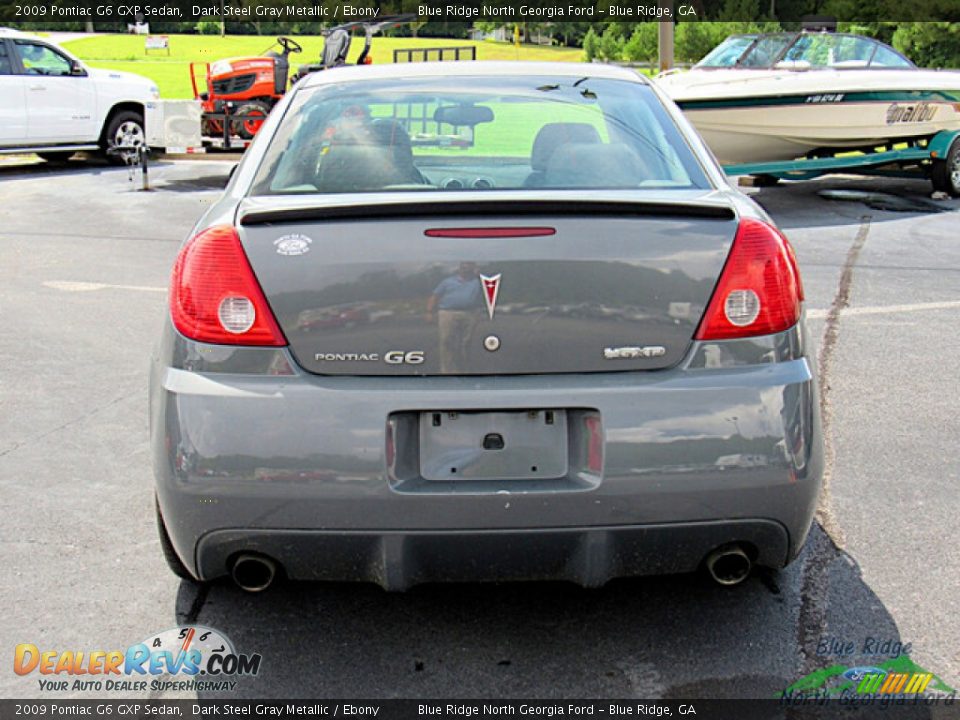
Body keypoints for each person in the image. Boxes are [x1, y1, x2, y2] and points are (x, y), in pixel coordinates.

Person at [426, 262, 482, 373]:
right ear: (459, 269)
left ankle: (465, 369)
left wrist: (479, 273)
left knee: (465, 342)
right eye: (463, 267)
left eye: (468, 267)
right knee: (446, 341)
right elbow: (435, 296)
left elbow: (492, 279)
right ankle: (448, 371)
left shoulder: (477, 282)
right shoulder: (447, 282)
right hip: (448, 313)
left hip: (470, 313)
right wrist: (429, 312)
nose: (465, 270)